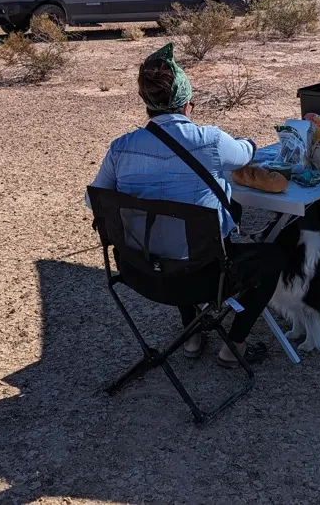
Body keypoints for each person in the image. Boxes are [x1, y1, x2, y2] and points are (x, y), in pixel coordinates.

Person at [89, 43, 284, 367]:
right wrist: (248, 143)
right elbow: (246, 154)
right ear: (187, 103)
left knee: (167, 234)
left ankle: (192, 335)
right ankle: (233, 345)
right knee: (272, 257)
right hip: (202, 279)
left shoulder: (120, 148)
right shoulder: (209, 140)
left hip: (138, 273)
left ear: (146, 103)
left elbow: (93, 199)